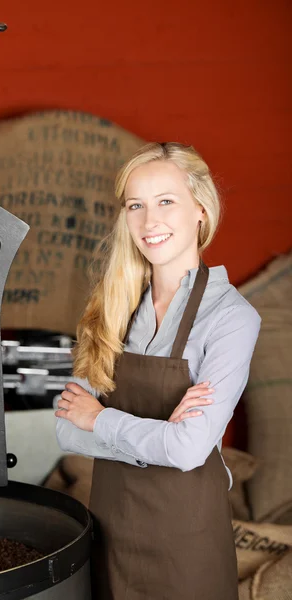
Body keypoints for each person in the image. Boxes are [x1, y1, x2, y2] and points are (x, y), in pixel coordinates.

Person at [55, 142, 261, 600]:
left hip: (184, 541)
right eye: (136, 205)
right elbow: (67, 431)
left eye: (166, 201)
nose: (150, 222)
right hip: (109, 530)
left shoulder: (231, 317)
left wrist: (101, 420)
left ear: (201, 210)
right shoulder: (113, 308)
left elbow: (187, 450)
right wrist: (156, 436)